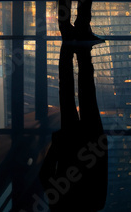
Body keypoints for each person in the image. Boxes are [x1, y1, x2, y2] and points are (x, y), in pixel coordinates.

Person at [39, 43, 107, 211]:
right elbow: (45, 175)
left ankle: (82, 50)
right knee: (68, 92)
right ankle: (68, 45)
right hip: (70, 144)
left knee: (86, 92)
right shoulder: (60, 206)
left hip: (90, 143)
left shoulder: (96, 204)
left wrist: (101, 143)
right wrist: (56, 146)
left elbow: (102, 171)